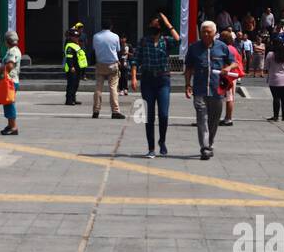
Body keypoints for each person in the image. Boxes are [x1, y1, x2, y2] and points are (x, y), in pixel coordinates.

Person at [131, 13, 180, 158]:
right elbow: (135, 60)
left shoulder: (166, 40)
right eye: (153, 25)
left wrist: (168, 22)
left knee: (164, 114)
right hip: (147, 80)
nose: (155, 27)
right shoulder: (144, 41)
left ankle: (162, 141)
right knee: (150, 116)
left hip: (163, 80)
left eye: (158, 25)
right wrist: (133, 78)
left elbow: (178, 40)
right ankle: (151, 148)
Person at [184, 20, 230, 159]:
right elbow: (189, 69)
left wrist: (227, 68)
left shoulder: (222, 47)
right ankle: (204, 147)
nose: (205, 34)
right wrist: (187, 85)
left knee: (214, 120)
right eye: (203, 31)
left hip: (217, 90)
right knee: (202, 119)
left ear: (214, 33)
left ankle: (209, 143)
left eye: (208, 31)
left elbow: (233, 62)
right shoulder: (194, 48)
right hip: (199, 90)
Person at [90, 21, 123, 120]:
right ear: (111, 26)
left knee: (98, 88)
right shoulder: (115, 36)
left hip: (100, 64)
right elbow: (117, 50)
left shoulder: (96, 36)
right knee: (113, 88)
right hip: (112, 64)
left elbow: (94, 48)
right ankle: (115, 111)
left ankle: (96, 111)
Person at [0, 30, 22, 136]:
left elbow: (10, 65)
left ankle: (13, 126)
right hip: (11, 80)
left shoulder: (12, 51)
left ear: (7, 41)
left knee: (9, 103)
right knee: (7, 103)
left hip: (10, 81)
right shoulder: (13, 50)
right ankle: (10, 125)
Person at [263, 35, 284, 122]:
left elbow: (266, 67)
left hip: (274, 78)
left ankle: (275, 116)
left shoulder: (270, 54)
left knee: (276, 98)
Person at [63, 28, 87, 106]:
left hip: (78, 67)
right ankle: (69, 100)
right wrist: (71, 67)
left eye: (77, 36)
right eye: (75, 36)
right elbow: (69, 58)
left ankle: (73, 99)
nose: (76, 38)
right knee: (71, 84)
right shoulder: (69, 45)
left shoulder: (76, 44)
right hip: (72, 68)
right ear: (70, 37)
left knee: (76, 84)